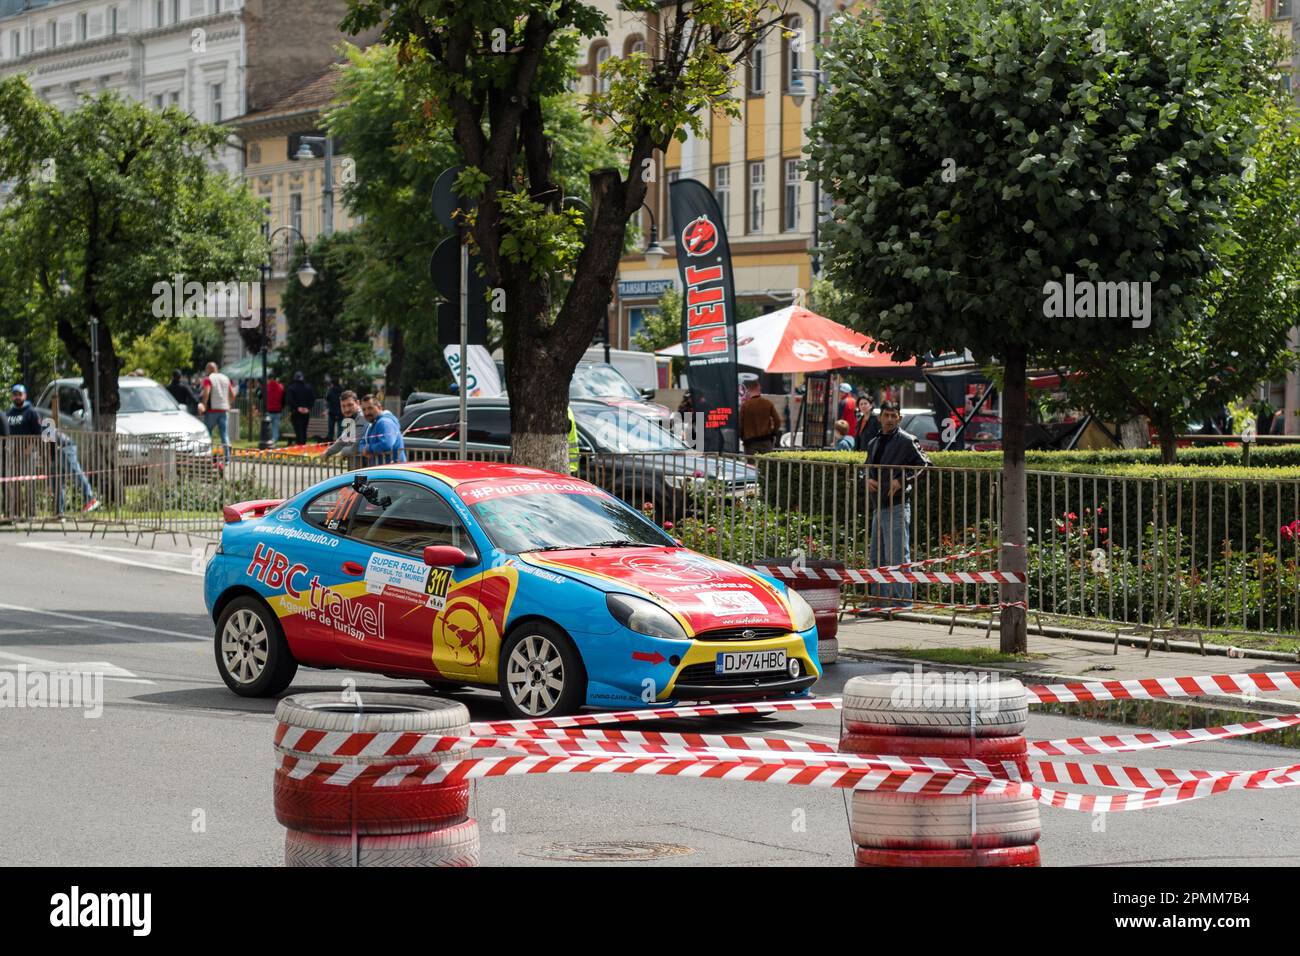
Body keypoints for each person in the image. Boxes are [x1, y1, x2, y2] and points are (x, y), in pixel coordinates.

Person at [864, 401, 931, 610]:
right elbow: (865, 468)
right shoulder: (873, 442)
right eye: (887, 415)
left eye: (894, 415)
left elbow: (925, 464)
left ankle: (902, 602)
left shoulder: (907, 440)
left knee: (898, 556)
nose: (890, 419)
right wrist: (866, 478)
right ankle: (880, 600)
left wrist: (902, 480)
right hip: (879, 506)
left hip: (898, 505)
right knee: (877, 556)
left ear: (899, 418)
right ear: (880, 418)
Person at [43, 420, 99, 515]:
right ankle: (59, 512)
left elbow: (41, 442)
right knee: (57, 482)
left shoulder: (35, 424)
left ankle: (90, 499)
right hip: (55, 452)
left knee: (75, 472)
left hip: (64, 447)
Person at [199, 362, 237, 462]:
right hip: (224, 410)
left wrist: (203, 405)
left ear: (208, 369)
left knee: (208, 433)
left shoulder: (208, 379)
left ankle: (209, 456)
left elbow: (206, 393)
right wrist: (228, 404)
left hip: (212, 410)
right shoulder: (225, 378)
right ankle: (227, 458)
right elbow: (233, 395)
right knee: (224, 434)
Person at [356, 393, 406, 465]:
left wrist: (368, 449)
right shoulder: (372, 424)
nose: (367, 412)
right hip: (382, 469)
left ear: (379, 407)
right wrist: (364, 450)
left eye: (370, 408)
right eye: (364, 409)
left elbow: (387, 444)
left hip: (392, 470)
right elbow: (362, 443)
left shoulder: (384, 422)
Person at [739, 374, 782, 455]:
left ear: (748, 389)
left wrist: (742, 437)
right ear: (758, 387)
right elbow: (778, 421)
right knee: (766, 465)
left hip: (750, 442)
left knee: (750, 466)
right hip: (766, 441)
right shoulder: (767, 403)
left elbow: (740, 424)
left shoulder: (745, 406)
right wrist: (772, 433)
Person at [322, 390, 366, 465]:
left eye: (350, 405)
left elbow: (356, 447)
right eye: (343, 406)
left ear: (358, 403)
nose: (347, 409)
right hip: (358, 465)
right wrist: (327, 452)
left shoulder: (362, 417)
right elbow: (343, 441)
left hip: (368, 465)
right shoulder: (351, 418)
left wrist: (341, 453)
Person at [285, 371, 316, 446]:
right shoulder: (309, 387)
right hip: (306, 413)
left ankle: (299, 445)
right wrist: (308, 408)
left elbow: (290, 400)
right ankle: (303, 445)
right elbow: (313, 398)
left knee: (298, 431)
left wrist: (298, 408)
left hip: (296, 412)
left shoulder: (291, 388)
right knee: (304, 430)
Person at [261, 375, 285, 446]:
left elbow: (262, 397)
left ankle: (268, 441)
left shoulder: (267, 387)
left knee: (268, 428)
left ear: (269, 379)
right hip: (278, 410)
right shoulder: (280, 387)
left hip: (269, 410)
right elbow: (283, 398)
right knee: (276, 428)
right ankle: (275, 442)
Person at [325, 377, 343, 442]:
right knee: (340, 429)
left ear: (332, 383)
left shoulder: (330, 390)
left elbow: (327, 398)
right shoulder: (342, 390)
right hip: (340, 412)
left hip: (332, 412)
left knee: (331, 429)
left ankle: (330, 442)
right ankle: (339, 442)